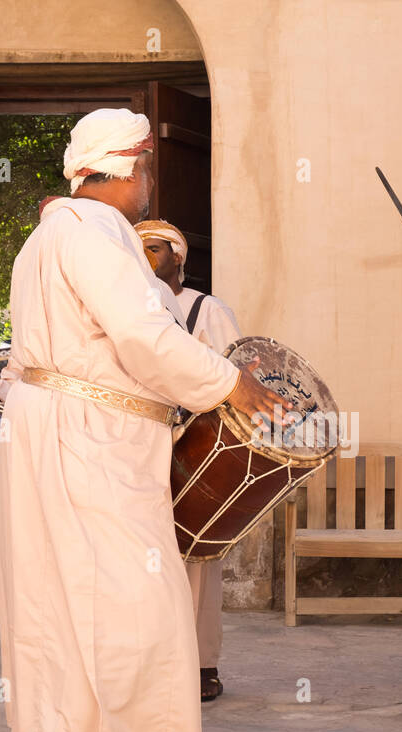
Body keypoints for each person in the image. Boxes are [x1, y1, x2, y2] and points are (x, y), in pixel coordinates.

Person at [0, 107, 283, 732]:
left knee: (115, 602)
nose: (152, 181)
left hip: (94, 439)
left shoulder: (68, 232)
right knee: (86, 600)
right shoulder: (91, 233)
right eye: (151, 167)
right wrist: (231, 384)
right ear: (131, 165)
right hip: (82, 443)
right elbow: (142, 334)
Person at [135, 219, 243, 703]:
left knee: (197, 558)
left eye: (155, 248)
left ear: (177, 257)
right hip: (143, 446)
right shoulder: (130, 305)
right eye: (137, 248)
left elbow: (230, 373)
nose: (145, 255)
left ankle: (201, 665)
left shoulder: (205, 308)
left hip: (194, 450)